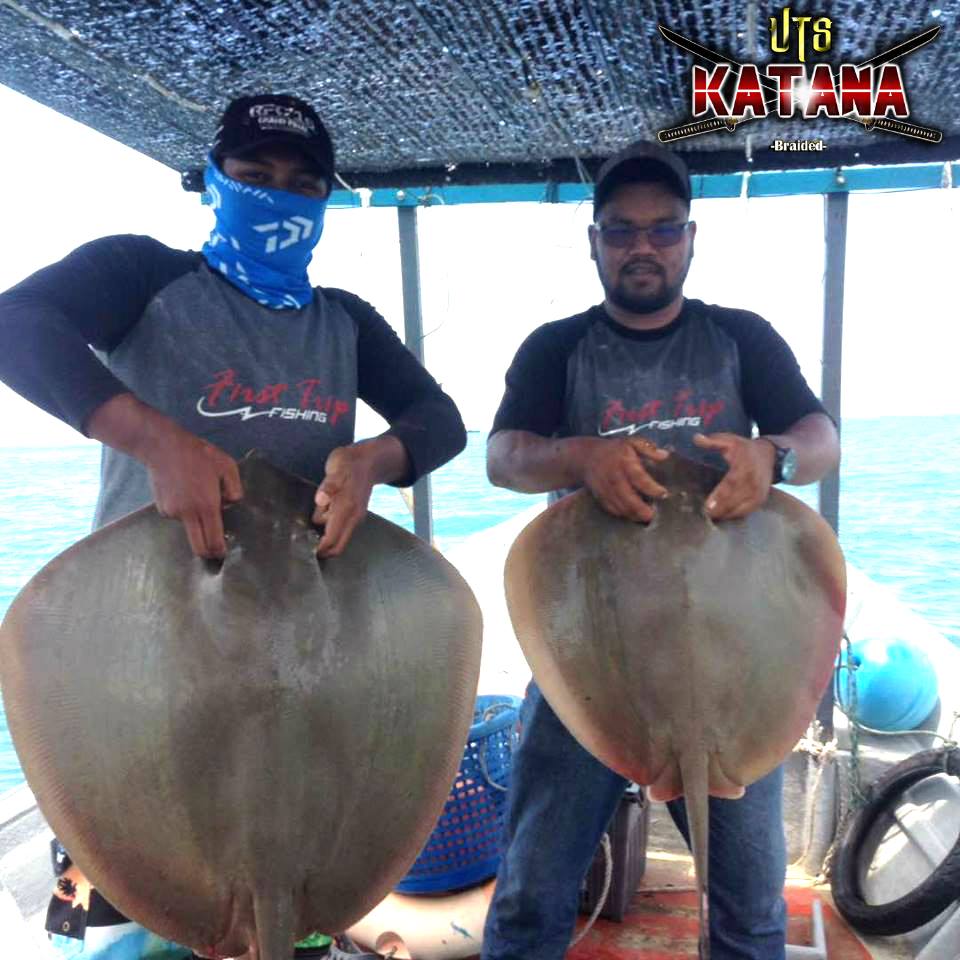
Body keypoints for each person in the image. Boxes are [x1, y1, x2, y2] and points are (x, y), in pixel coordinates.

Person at [0, 93, 465, 960]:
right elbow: (16, 324)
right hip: (145, 660)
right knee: (131, 927)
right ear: (212, 182)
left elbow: (440, 420)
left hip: (308, 666)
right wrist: (152, 438)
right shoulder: (143, 275)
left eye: (302, 184)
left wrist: (375, 460)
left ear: (325, 199)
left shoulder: (344, 321)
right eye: (253, 177)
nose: (277, 198)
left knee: (292, 907)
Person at [482, 141, 840, 960]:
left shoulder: (740, 338)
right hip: (589, 653)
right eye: (622, 231)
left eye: (663, 230)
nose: (643, 246)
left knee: (749, 906)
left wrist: (771, 458)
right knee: (533, 892)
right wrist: (580, 457)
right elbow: (503, 458)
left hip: (731, 659)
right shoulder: (556, 346)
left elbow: (822, 439)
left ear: (689, 239)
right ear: (595, 242)